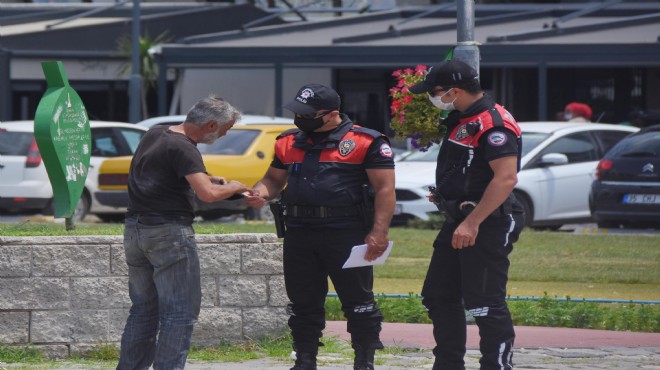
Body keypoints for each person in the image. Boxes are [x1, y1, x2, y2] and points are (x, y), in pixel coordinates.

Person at [244, 83, 396, 370]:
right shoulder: (288, 141)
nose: (300, 118)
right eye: (298, 111)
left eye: (307, 113)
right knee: (302, 301)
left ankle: (364, 361)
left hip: (347, 230)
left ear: (332, 114)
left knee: (358, 300)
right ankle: (305, 360)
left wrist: (379, 233)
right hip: (300, 231)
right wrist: (260, 193)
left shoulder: (366, 141)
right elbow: (273, 180)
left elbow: (385, 189)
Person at [116, 96, 253, 370]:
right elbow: (209, 194)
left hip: (135, 230)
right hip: (169, 233)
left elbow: (168, 171)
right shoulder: (185, 148)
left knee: (143, 310)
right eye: (224, 130)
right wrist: (235, 187)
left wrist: (207, 176)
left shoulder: (156, 134)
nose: (223, 135)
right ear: (211, 123)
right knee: (180, 313)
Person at [408, 60, 525, 370]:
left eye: (434, 93)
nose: (432, 99)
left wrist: (472, 223)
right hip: (459, 219)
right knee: (438, 294)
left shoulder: (493, 123)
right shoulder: (463, 117)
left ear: (454, 91)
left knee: (485, 302)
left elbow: (505, 178)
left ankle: (496, 365)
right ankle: (448, 364)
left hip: (488, 220)